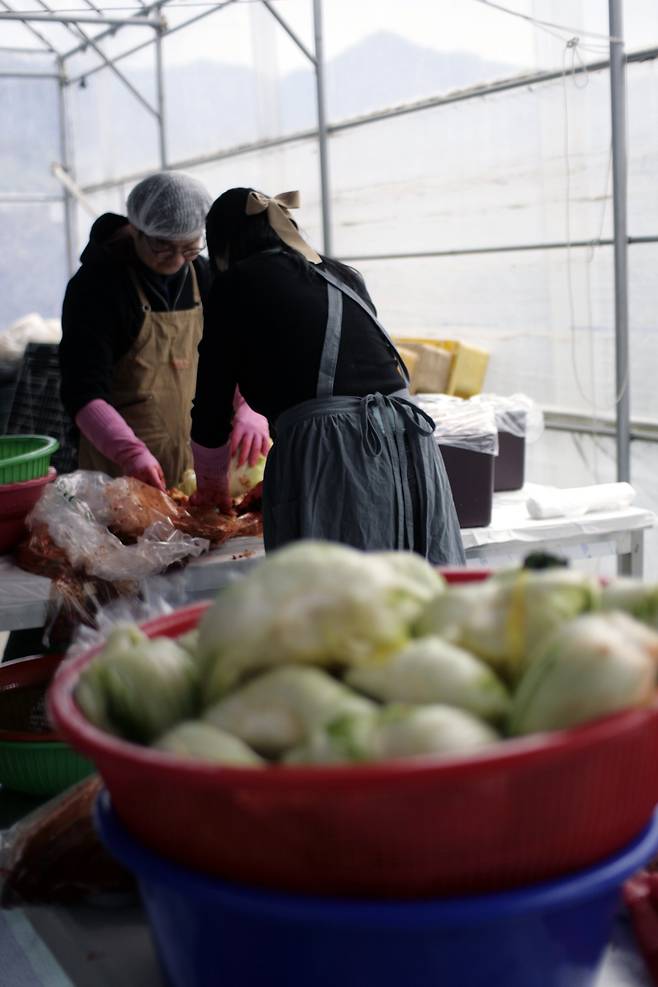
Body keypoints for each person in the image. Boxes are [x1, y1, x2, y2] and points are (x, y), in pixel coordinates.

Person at [190, 187, 465, 564]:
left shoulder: (235, 284)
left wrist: (210, 490)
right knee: (413, 585)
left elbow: (211, 403)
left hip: (332, 446)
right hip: (410, 437)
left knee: (339, 596)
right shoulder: (340, 274)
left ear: (222, 243)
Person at [59, 171, 270, 491]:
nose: (176, 259)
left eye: (189, 247)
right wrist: (129, 453)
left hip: (200, 462)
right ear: (136, 230)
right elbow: (82, 391)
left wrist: (250, 406)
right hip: (123, 472)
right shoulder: (97, 286)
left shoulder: (203, 273)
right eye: (163, 246)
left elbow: (237, 350)